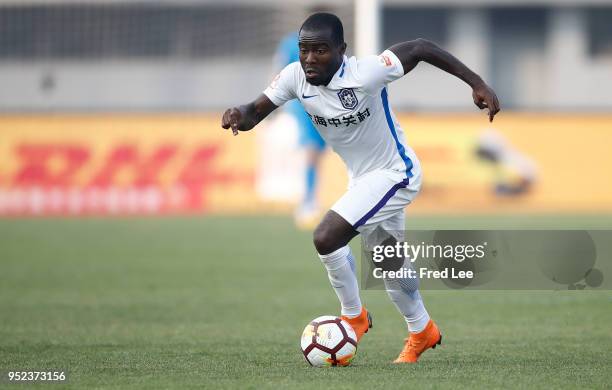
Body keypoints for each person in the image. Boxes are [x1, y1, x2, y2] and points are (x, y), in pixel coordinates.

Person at [222, 12, 500, 363]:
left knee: (326, 236)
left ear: (341, 50)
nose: (310, 59)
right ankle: (422, 330)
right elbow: (256, 110)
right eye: (304, 50)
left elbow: (420, 47)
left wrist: (476, 83)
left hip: (396, 172)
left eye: (320, 50)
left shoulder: (366, 72)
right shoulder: (295, 77)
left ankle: (353, 317)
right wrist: (238, 115)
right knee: (389, 263)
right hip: (363, 180)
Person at [275, 32, 327, 228]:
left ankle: (312, 198)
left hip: (325, 103)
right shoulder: (290, 44)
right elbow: (279, 74)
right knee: (311, 150)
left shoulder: (329, 41)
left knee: (319, 152)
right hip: (302, 104)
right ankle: (307, 202)